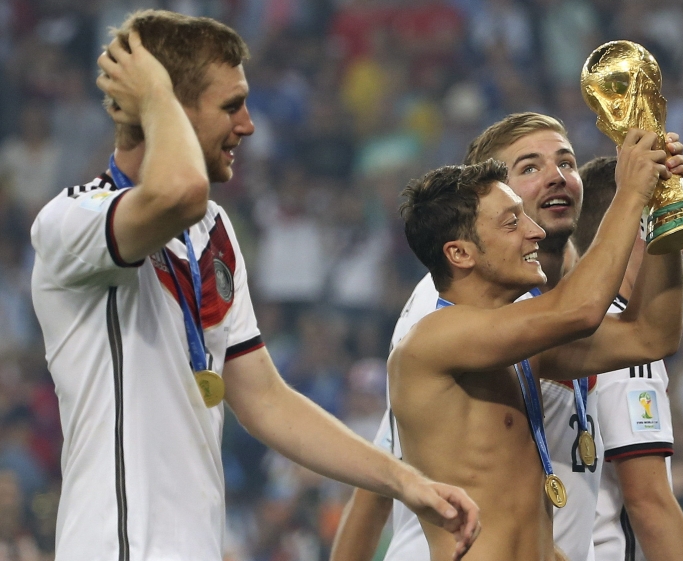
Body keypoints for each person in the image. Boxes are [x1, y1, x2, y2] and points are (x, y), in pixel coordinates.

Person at [29, 10, 478, 561]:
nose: (248, 124)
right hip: (116, 546)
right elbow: (177, 191)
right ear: (164, 106)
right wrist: (155, 96)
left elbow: (265, 399)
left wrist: (406, 482)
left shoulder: (211, 231)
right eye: (230, 105)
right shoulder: (71, 221)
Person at [331, 113, 683, 561]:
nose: (534, 231)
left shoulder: (521, 342)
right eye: (510, 222)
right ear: (460, 253)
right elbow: (578, 309)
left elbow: (650, 336)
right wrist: (631, 192)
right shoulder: (434, 334)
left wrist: (662, 210)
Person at [573, 156, 683, 561]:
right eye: (671, 221)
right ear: (640, 227)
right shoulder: (624, 351)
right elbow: (649, 504)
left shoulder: (561, 331)